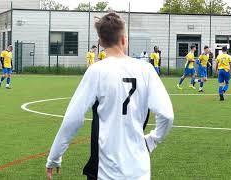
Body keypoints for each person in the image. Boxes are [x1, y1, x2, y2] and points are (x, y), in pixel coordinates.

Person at [45, 12, 174, 180]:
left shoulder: (96, 71)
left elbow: (73, 118)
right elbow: (167, 115)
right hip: (139, 170)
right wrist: (153, 140)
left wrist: (54, 157)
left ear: (100, 43)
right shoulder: (146, 69)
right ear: (123, 39)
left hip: (105, 171)